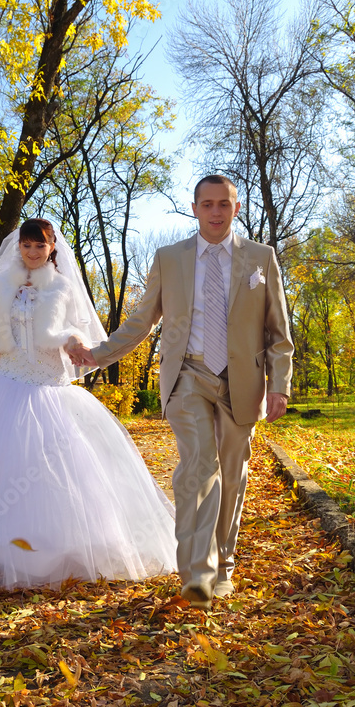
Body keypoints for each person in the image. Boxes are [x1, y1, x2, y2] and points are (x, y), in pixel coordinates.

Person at [0, 218, 177, 589]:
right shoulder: (0, 287)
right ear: (19, 247)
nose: (32, 252)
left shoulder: (62, 287)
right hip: (6, 388)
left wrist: (74, 342)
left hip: (50, 388)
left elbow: (72, 332)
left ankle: (67, 551)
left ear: (52, 248)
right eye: (27, 246)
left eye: (39, 246)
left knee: (62, 472)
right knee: (0, 473)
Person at [68, 175, 293, 610]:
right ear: (194, 208)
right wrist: (100, 354)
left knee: (232, 474)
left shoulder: (261, 258)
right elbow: (142, 318)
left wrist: (279, 385)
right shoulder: (170, 259)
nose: (215, 212)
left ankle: (223, 564)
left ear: (237, 207)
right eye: (207, 204)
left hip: (241, 382)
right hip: (187, 376)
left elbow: (278, 333)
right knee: (197, 466)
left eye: (223, 204)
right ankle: (197, 573)